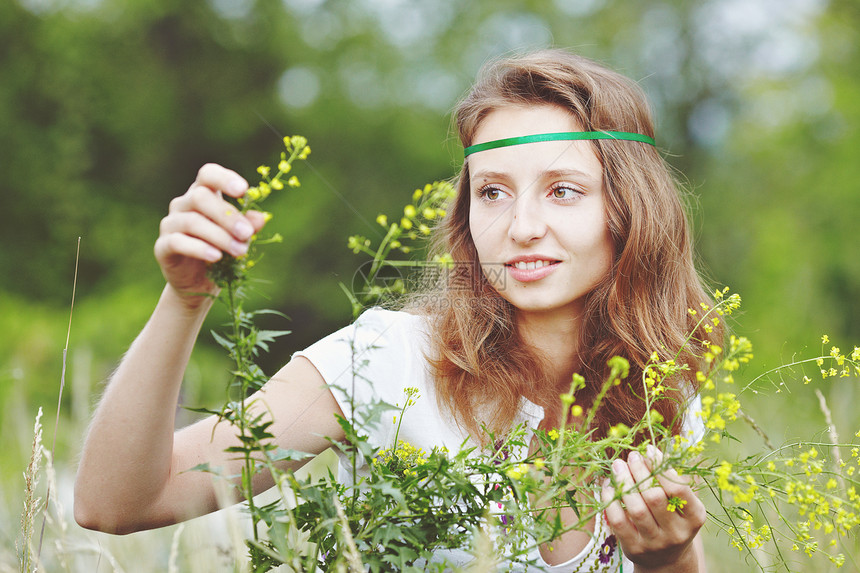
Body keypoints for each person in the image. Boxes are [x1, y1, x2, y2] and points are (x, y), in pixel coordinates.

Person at [75, 49, 715, 572]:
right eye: (491, 192)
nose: (521, 226)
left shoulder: (665, 393)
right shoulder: (388, 360)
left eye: (563, 191)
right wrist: (185, 302)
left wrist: (670, 559)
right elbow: (116, 503)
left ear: (630, 210)